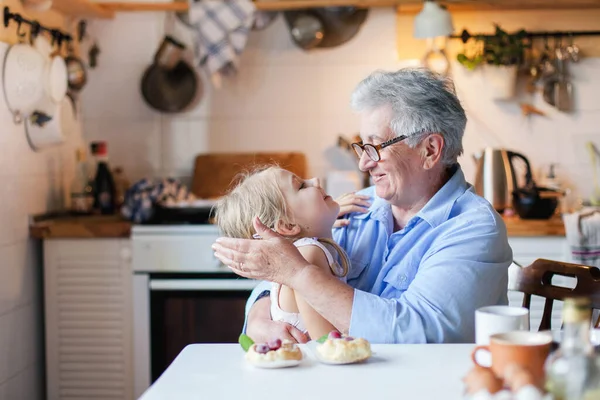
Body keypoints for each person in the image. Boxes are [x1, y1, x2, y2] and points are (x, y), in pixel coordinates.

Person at [212, 67, 513, 344]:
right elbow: (284, 271)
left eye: (375, 146)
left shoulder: (473, 228)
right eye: (362, 146)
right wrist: (259, 317)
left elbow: (418, 333)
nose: (364, 162)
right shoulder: (356, 207)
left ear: (430, 150)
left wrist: (300, 275)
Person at [213, 166, 350, 340]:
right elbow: (326, 341)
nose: (315, 180)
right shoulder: (308, 255)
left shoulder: (309, 252)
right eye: (301, 186)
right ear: (288, 226)